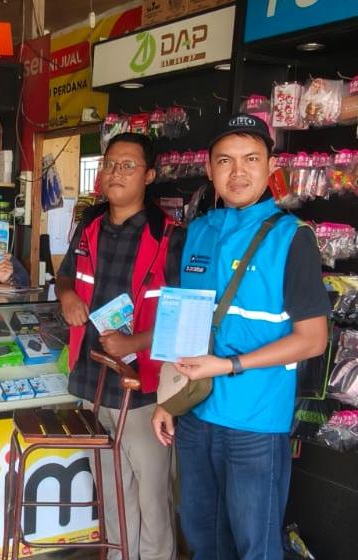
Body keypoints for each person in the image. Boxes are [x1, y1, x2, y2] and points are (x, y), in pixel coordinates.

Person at [151, 114, 330, 560]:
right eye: (225, 161)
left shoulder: (291, 237)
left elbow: (313, 339)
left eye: (251, 159)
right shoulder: (198, 232)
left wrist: (229, 365)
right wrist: (167, 399)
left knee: (255, 545)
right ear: (209, 169)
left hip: (255, 422)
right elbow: (184, 323)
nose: (238, 172)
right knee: (202, 537)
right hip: (196, 414)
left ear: (271, 167)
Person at [56, 132, 182, 560]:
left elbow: (186, 317)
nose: (116, 172)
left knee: (153, 497)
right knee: (110, 489)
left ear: (149, 175)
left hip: (143, 386)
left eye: (128, 165)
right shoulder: (89, 226)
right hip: (92, 380)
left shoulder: (169, 236)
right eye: (110, 164)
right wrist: (67, 296)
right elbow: (65, 276)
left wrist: (135, 341)